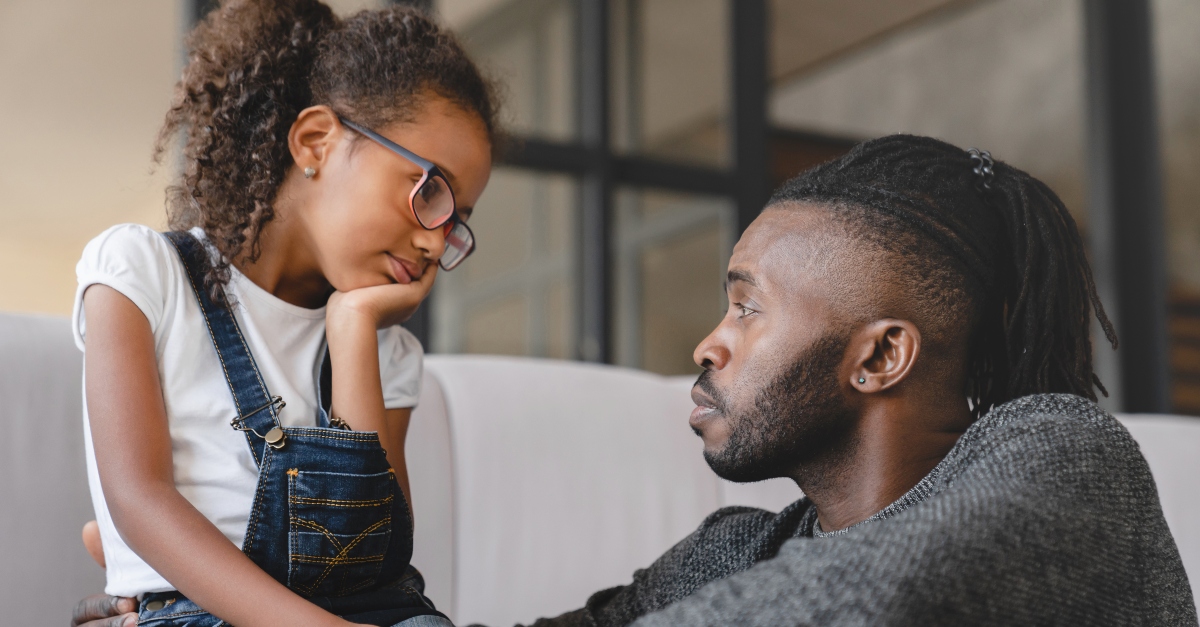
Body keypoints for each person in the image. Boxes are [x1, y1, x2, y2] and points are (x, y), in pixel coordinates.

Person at [73, 136, 1198, 626]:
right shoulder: (744, 549)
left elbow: (865, 603)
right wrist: (197, 602)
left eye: (748, 305)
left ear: (880, 357)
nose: (708, 342)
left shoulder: (1060, 458)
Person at [71, 0, 496, 625]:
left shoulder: (390, 353)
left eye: (457, 218)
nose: (436, 239)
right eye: (429, 189)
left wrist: (351, 330)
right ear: (316, 141)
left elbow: (371, 562)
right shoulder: (139, 273)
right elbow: (139, 500)